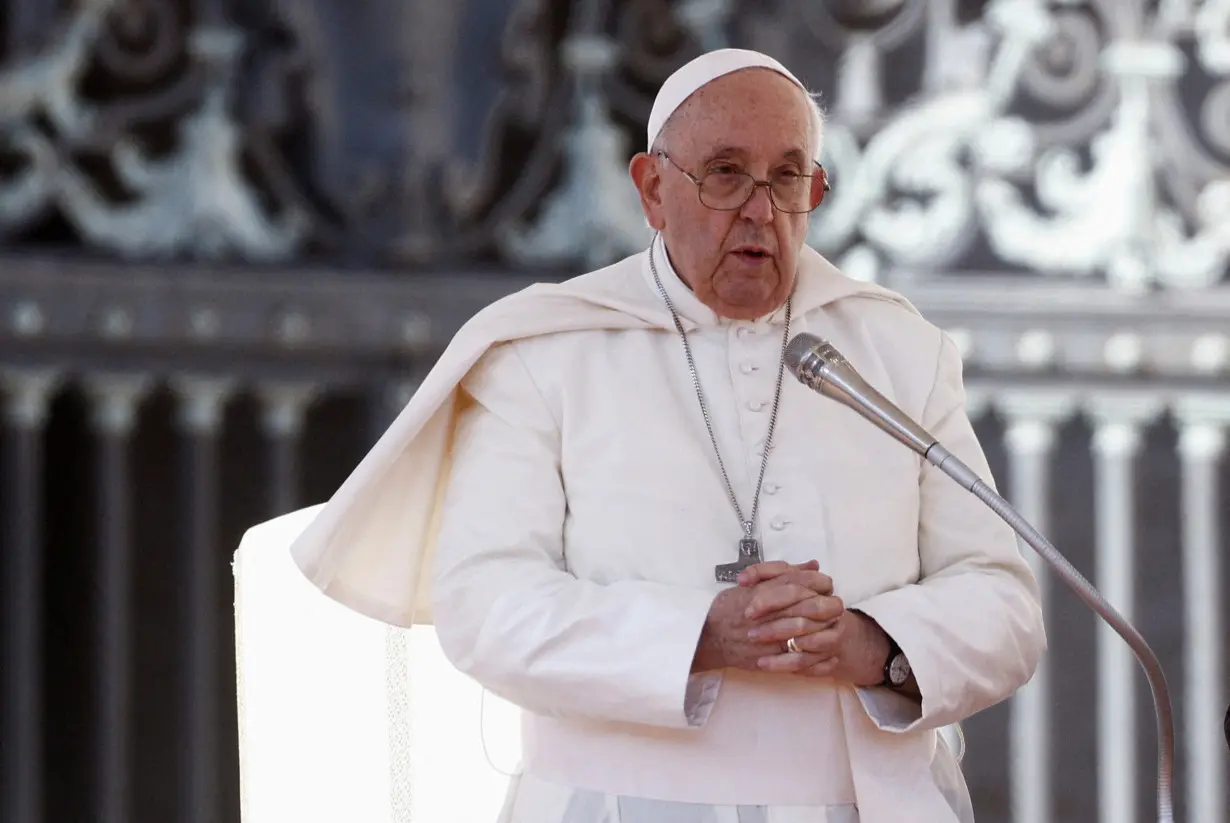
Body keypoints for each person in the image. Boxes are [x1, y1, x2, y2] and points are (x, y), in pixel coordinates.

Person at [278, 48, 1046, 822]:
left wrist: (872, 643)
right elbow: (486, 605)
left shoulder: (894, 349)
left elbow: (1004, 605)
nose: (760, 211)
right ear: (652, 189)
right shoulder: (548, 350)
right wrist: (698, 634)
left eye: (787, 177)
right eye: (725, 172)